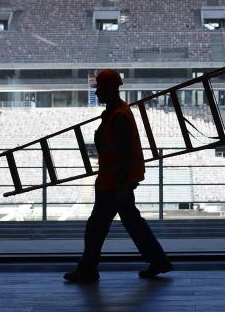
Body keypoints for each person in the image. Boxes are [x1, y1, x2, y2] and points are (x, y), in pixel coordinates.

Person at [64, 69, 172, 283]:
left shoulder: (119, 116)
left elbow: (124, 154)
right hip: (114, 182)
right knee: (133, 223)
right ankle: (158, 260)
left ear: (110, 89)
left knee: (95, 229)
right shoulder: (116, 113)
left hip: (114, 184)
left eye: (100, 89)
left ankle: (87, 269)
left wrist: (122, 185)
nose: (97, 94)